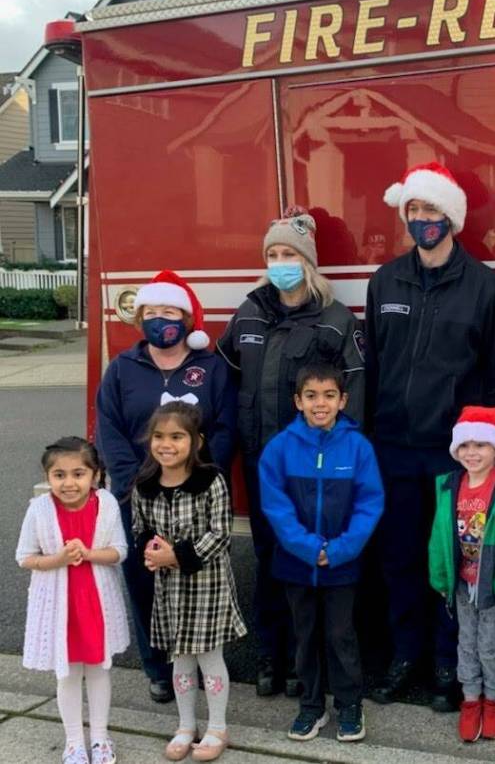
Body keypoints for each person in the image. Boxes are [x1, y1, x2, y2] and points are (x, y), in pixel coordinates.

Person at [366, 162, 495, 711]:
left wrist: (489, 454)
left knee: (454, 562)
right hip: (393, 450)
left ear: (450, 216)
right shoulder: (385, 282)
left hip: (456, 458)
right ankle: (406, 657)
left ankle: (450, 664)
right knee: (400, 559)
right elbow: (372, 367)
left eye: (431, 209)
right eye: (414, 210)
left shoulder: (485, 287)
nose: (422, 219)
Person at [217, 209, 365, 697]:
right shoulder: (249, 313)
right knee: (268, 560)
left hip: (312, 472)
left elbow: (353, 401)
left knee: (309, 563)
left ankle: (308, 664)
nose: (281, 263)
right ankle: (270, 656)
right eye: (274, 255)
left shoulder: (335, 321)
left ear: (308, 262)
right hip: (261, 464)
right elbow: (223, 379)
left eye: (290, 255)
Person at [95, 269, 236, 704]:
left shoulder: (211, 368)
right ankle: (158, 668)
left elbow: (226, 427)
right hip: (140, 497)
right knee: (145, 580)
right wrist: (134, 483)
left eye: (170, 312)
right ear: (141, 319)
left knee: (198, 580)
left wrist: (202, 477)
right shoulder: (122, 369)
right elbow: (108, 429)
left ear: (187, 319)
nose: (161, 320)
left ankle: (199, 664)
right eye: (152, 312)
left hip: (196, 497)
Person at [259, 365, 384, 745]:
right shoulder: (279, 448)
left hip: (341, 564)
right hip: (297, 564)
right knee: (304, 636)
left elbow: (369, 503)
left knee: (341, 635)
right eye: (311, 396)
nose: (320, 403)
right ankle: (311, 706)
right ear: (298, 401)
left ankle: (349, 704)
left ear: (343, 400)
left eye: (329, 395)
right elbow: (276, 507)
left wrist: (340, 549)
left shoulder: (358, 447)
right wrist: (310, 548)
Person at [131, 402, 247, 762]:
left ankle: (218, 727)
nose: (166, 444)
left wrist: (177, 556)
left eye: (177, 436)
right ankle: (185, 725)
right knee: (180, 658)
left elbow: (220, 533)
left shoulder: (210, 481)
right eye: (159, 436)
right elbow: (140, 529)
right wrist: (151, 550)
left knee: (209, 658)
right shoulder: (144, 485)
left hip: (207, 587)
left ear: (196, 441)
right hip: (170, 590)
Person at [17, 437, 130, 764]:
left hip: (94, 604)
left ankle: (100, 738)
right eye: (59, 475)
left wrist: (89, 553)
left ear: (95, 475)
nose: (69, 483)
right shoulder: (39, 509)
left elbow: (119, 551)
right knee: (66, 674)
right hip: (60, 608)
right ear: (47, 476)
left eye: (78, 474)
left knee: (98, 671)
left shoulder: (105, 504)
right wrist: (59, 559)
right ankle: (74, 743)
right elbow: (25, 557)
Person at [427, 406, 495, 742]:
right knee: (466, 644)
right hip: (462, 583)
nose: (472, 453)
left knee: (489, 646)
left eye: (481, 445)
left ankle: (493, 698)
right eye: (465, 445)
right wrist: (441, 577)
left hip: (493, 587)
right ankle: (470, 698)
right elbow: (439, 536)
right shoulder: (449, 486)